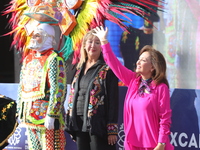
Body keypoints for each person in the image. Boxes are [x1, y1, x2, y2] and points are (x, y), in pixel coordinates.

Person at [93, 26, 174, 150]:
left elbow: (165, 118)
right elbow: (115, 64)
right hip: (132, 145)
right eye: (138, 59)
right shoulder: (133, 81)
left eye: (143, 60)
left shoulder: (160, 88)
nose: (138, 62)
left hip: (154, 146)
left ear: (152, 67)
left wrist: (161, 143)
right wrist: (104, 42)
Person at [65, 29, 119, 150]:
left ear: (102, 47)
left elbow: (113, 101)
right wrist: (71, 123)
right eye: (90, 42)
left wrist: (112, 130)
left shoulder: (108, 70)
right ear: (84, 45)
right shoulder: (78, 69)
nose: (93, 46)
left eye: (97, 42)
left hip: (98, 124)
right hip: (79, 122)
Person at [17, 23, 67, 150]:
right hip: (29, 116)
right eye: (33, 35)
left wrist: (52, 114)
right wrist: (20, 111)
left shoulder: (54, 59)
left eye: (37, 35)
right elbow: (22, 86)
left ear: (48, 37)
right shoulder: (28, 58)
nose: (33, 37)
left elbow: (58, 89)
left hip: (46, 118)